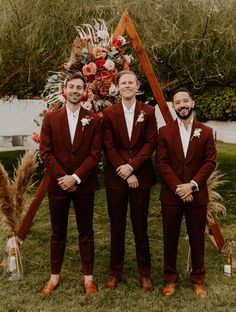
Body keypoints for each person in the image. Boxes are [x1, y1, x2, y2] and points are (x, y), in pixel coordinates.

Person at [39, 72, 102, 296]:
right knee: (58, 232)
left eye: (79, 87)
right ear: (64, 90)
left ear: (84, 92)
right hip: (57, 185)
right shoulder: (50, 118)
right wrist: (63, 178)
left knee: (86, 231)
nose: (75, 90)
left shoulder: (94, 119)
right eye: (71, 87)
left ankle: (88, 277)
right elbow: (45, 153)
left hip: (84, 185)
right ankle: (55, 275)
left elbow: (95, 155)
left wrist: (75, 178)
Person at [156, 88, 217, 298]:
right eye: (177, 102)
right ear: (173, 106)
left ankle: (198, 280)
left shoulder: (206, 131)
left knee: (197, 239)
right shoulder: (164, 132)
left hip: (196, 194)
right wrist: (178, 187)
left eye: (185, 101)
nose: (181, 105)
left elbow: (210, 162)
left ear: (192, 103)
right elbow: (162, 163)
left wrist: (191, 185)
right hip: (171, 195)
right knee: (170, 238)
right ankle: (170, 279)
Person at [102, 70, 157, 292]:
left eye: (130, 82)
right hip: (116, 179)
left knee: (140, 226)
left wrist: (132, 167)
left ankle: (145, 274)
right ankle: (115, 272)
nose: (127, 86)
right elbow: (108, 146)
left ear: (137, 86)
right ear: (117, 87)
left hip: (141, 178)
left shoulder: (149, 112)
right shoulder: (108, 113)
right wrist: (125, 171)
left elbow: (150, 143)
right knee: (117, 227)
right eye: (123, 82)